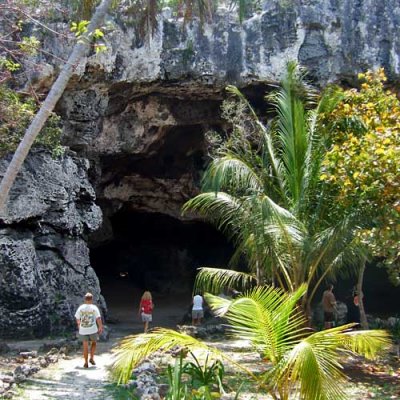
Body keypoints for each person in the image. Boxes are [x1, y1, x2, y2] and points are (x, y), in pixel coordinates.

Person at [75, 292, 103, 368]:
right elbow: (98, 318)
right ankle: (92, 358)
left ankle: (86, 362)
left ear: (85, 299)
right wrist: (100, 326)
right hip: (92, 329)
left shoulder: (81, 308)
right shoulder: (94, 308)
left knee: (85, 346)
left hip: (83, 329)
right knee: (94, 343)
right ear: (91, 299)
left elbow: (77, 318)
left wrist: (79, 325)